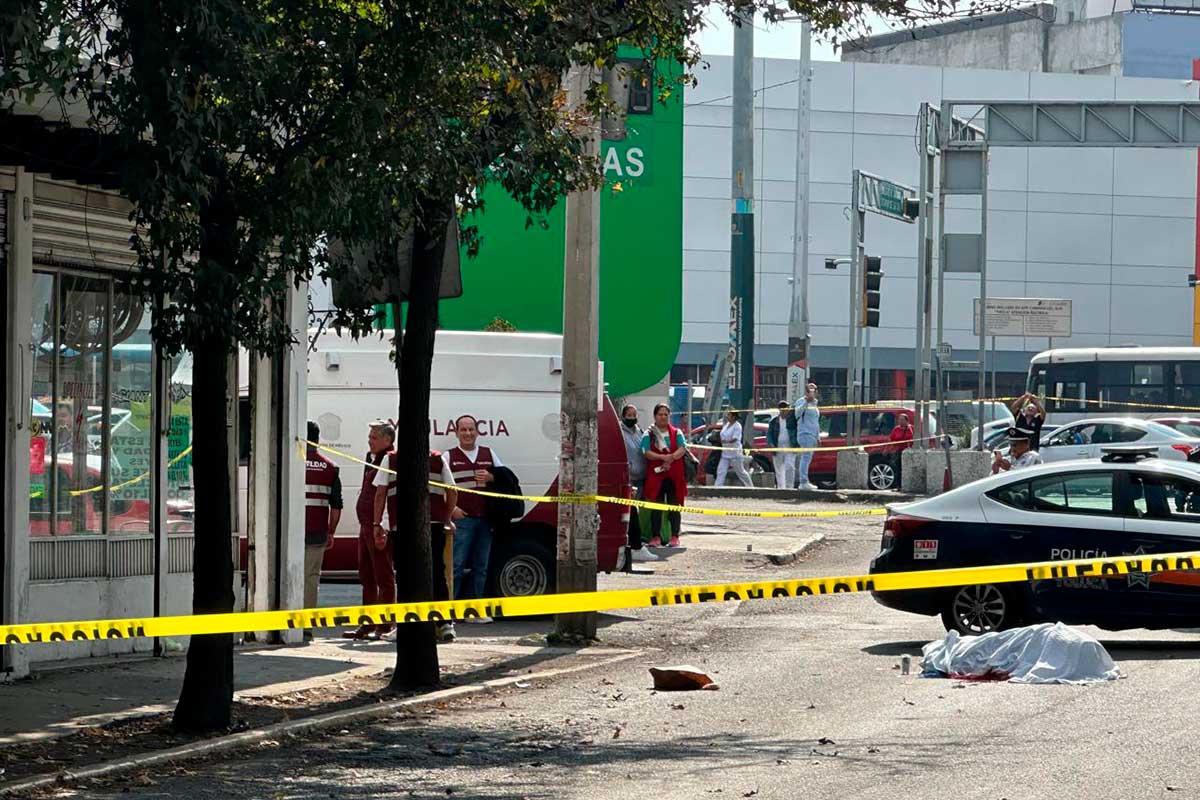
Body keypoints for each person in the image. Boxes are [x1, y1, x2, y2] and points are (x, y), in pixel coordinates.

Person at [344, 421, 397, 640]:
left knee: (383, 576)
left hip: (377, 526)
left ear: (387, 439)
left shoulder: (389, 458)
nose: (369, 440)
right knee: (366, 576)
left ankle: (385, 624)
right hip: (365, 525)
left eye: (374, 437)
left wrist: (380, 525)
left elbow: (383, 495)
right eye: (370, 436)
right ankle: (367, 623)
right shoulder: (372, 458)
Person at [447, 415, 502, 622]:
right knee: (456, 566)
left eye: (471, 429)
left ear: (477, 431)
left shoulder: (489, 454)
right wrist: (452, 509)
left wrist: (492, 477)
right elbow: (437, 485)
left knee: (481, 566)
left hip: (485, 520)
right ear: (457, 433)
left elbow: (507, 478)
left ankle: (477, 611)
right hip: (463, 520)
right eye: (464, 430)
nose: (468, 434)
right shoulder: (449, 456)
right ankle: (450, 612)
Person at [303, 421, 342, 638]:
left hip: (290, 533)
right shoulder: (330, 466)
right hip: (316, 532)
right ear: (318, 439)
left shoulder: (291, 462)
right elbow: (336, 506)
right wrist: (331, 532)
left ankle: (283, 620)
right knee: (311, 577)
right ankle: (306, 626)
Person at [641, 403, 688, 548]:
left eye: (666, 414)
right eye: (660, 414)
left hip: (674, 476)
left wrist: (671, 458)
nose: (663, 417)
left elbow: (682, 448)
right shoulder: (649, 433)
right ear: (655, 416)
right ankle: (656, 537)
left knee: (675, 505)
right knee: (657, 506)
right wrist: (662, 458)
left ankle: (675, 536)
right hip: (656, 477)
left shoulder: (677, 432)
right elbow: (646, 452)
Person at [620, 404, 659, 564]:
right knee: (631, 511)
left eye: (634, 415)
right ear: (623, 416)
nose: (632, 418)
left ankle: (634, 541)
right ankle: (635, 545)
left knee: (635, 511)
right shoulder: (620, 431)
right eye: (629, 415)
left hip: (640, 478)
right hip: (627, 478)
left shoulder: (640, 431)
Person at [428, 448, 459, 643]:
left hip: (405, 526)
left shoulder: (394, 458)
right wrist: (447, 518)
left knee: (407, 575)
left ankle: (412, 625)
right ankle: (444, 623)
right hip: (435, 524)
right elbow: (452, 490)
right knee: (438, 572)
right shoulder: (437, 459)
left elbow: (382, 492)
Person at [794, 383, 821, 491]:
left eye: (814, 390)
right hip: (805, 433)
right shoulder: (801, 401)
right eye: (810, 390)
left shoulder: (815, 403)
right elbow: (797, 413)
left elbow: (816, 421)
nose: (812, 392)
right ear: (806, 392)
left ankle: (805, 480)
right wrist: (806, 401)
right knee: (805, 457)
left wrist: (818, 436)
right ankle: (803, 482)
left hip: (813, 435)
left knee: (808, 458)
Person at [715, 409, 753, 488]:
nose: (727, 416)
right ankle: (717, 488)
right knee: (721, 471)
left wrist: (726, 441)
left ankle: (750, 487)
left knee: (741, 472)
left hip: (735, 453)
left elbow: (735, 438)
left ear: (734, 417)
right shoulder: (727, 425)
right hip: (725, 453)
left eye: (729, 415)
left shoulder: (737, 426)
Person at [767, 401, 798, 490]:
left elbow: (796, 431)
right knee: (779, 469)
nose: (786, 412)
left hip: (790, 446)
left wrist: (796, 443)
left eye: (787, 410)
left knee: (790, 466)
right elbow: (769, 434)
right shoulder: (774, 421)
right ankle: (781, 488)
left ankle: (789, 487)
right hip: (778, 447)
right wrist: (771, 445)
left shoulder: (792, 421)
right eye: (783, 410)